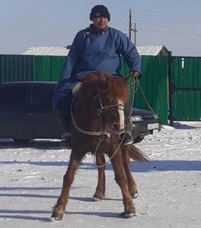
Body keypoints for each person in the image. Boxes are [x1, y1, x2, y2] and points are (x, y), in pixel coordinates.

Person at [53, 4, 142, 147]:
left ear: (108, 19)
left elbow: (131, 53)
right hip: (86, 78)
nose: (101, 20)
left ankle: (124, 131)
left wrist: (135, 69)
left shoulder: (116, 36)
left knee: (122, 98)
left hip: (110, 78)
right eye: (98, 17)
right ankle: (70, 132)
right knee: (62, 98)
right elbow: (72, 59)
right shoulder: (82, 36)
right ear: (92, 19)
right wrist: (64, 81)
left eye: (104, 17)